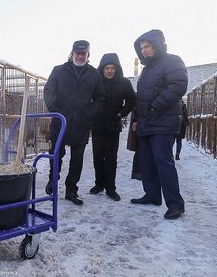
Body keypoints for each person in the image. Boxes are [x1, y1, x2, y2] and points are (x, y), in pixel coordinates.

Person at [130, 29, 188, 220]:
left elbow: (178, 85)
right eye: (142, 48)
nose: (144, 50)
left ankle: (175, 204)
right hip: (147, 122)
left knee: (163, 161)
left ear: (156, 44)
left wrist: (155, 107)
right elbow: (141, 98)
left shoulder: (172, 61)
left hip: (164, 121)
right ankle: (153, 195)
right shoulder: (147, 70)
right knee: (147, 162)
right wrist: (137, 119)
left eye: (147, 46)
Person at [43, 40, 105, 205]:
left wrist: (89, 113)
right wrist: (56, 111)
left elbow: (100, 98)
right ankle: (52, 181)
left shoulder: (94, 74)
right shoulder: (58, 71)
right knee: (56, 154)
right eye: (77, 53)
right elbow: (48, 91)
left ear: (87, 55)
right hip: (60, 121)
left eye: (83, 53)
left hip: (81, 123)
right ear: (71, 53)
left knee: (77, 159)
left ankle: (71, 190)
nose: (79, 56)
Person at [90, 53, 136, 201]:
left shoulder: (124, 83)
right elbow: (86, 98)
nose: (109, 71)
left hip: (112, 127)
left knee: (111, 158)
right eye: (106, 68)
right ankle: (99, 184)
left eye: (112, 68)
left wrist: (120, 113)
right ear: (102, 69)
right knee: (97, 157)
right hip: (97, 125)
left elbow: (131, 101)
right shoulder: (95, 82)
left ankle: (111, 188)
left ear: (117, 69)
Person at [126, 109, 142, 180]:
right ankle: (136, 172)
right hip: (140, 123)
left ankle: (137, 172)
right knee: (140, 149)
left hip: (142, 121)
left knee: (141, 149)